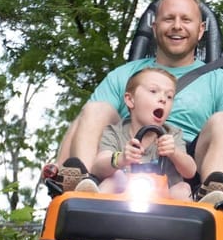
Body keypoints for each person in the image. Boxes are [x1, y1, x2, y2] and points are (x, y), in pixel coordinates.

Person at [50, 0, 223, 211]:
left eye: (186, 19)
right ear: (154, 27)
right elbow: (82, 123)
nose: (177, 26)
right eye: (168, 19)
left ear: (201, 29)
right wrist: (58, 168)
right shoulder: (124, 75)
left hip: (187, 170)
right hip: (124, 158)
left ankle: (213, 193)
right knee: (95, 108)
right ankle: (81, 184)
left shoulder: (219, 80)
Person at [77, 67, 195, 201]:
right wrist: (121, 158)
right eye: (153, 91)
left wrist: (174, 153)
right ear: (130, 100)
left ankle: (203, 210)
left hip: (165, 201)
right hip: (122, 199)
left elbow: (190, 171)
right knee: (113, 180)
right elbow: (98, 167)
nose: (163, 99)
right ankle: (88, 201)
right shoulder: (115, 132)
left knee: (182, 188)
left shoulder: (172, 134)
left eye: (169, 96)